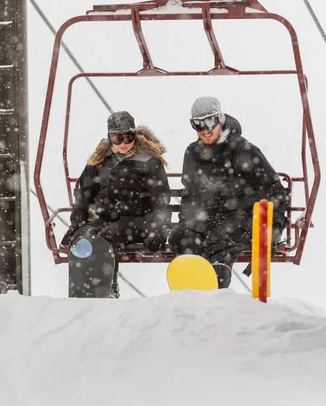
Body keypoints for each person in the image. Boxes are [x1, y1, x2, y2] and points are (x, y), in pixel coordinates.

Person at [169, 96, 288, 288]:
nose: (205, 130)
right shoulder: (193, 153)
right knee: (180, 236)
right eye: (198, 125)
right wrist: (187, 220)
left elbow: (275, 191)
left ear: (220, 119)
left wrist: (273, 230)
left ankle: (216, 286)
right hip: (209, 218)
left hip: (241, 218)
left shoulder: (242, 150)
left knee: (219, 240)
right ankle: (190, 290)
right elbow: (191, 194)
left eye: (209, 122)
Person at [60, 111, 171, 297]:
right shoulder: (100, 161)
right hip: (107, 219)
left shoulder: (148, 161)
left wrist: (160, 229)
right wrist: (76, 223)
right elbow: (85, 195)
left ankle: (107, 289)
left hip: (139, 220)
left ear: (135, 135)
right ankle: (85, 292)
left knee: (104, 238)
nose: (123, 143)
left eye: (128, 137)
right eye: (117, 138)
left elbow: (161, 200)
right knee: (82, 240)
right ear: (109, 137)